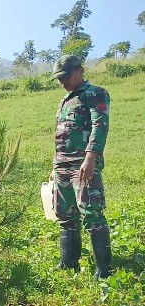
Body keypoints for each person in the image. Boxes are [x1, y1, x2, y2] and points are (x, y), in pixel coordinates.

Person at [50, 55, 112, 279]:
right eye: (59, 78)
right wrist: (55, 165)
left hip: (83, 165)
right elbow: (61, 136)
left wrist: (90, 158)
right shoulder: (65, 100)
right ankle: (68, 264)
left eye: (65, 76)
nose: (62, 81)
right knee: (65, 215)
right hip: (62, 166)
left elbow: (100, 125)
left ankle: (104, 270)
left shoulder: (95, 94)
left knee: (91, 214)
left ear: (80, 70)